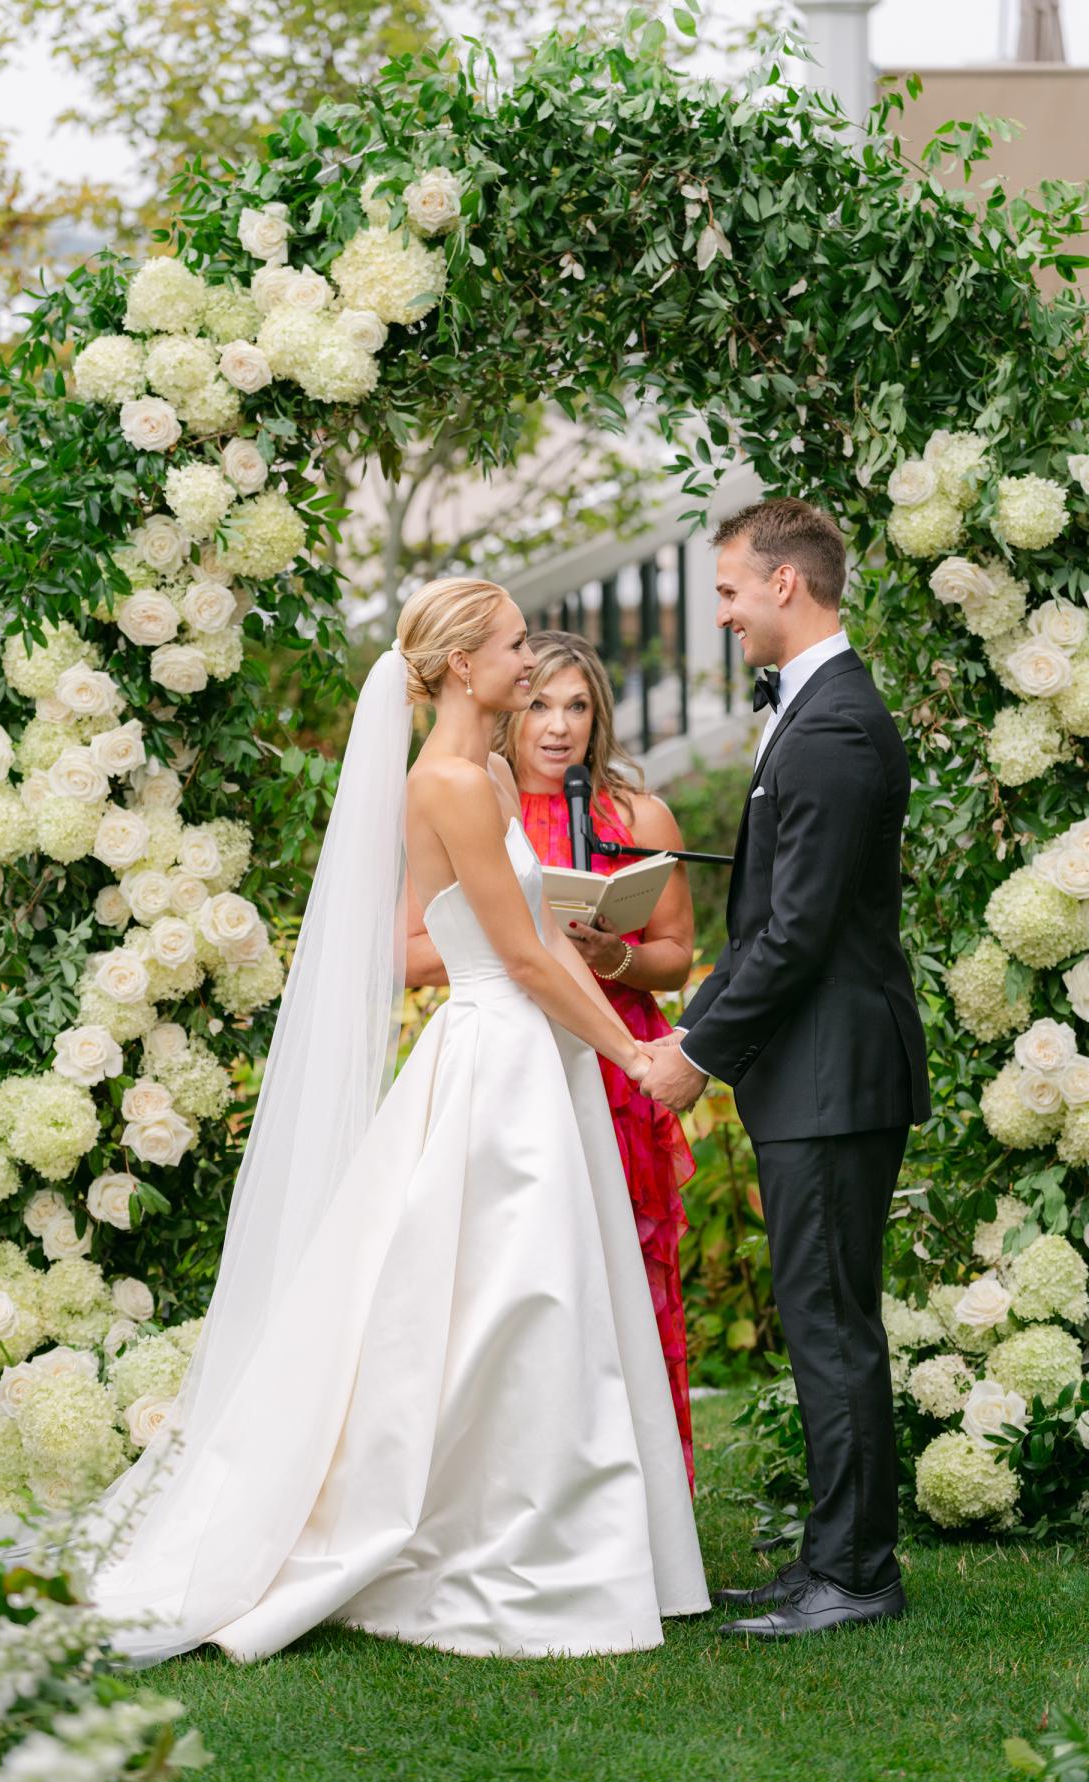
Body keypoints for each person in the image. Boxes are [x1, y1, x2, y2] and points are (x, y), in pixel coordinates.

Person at [84, 575, 709, 1664]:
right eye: (517, 647)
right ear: (464, 664)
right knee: (517, 1295)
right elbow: (513, 956)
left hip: (528, 1052)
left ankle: (559, 1523)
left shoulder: (493, 783)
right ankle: (516, 1542)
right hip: (496, 1055)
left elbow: (547, 942)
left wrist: (625, 1043)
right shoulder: (454, 786)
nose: (531, 663)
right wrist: (637, 1054)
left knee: (529, 1300)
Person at [640, 499, 930, 1640]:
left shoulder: (837, 728)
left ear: (785, 588)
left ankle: (857, 1574)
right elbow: (771, 922)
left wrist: (699, 1052)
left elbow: (800, 934)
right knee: (824, 1314)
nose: (720, 615)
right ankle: (831, 1560)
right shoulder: (810, 715)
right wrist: (700, 1028)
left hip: (834, 1072)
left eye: (726, 592)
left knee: (828, 1322)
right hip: (813, 1072)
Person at [404, 631, 699, 1487]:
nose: (558, 725)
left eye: (577, 706)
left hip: (616, 1054)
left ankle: (647, 1485)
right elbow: (424, 948)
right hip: (523, 1047)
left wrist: (618, 960)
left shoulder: (638, 819)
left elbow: (678, 952)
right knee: (534, 1271)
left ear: (598, 716)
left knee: (630, 1260)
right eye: (540, 702)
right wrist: (506, 945)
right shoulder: (471, 800)